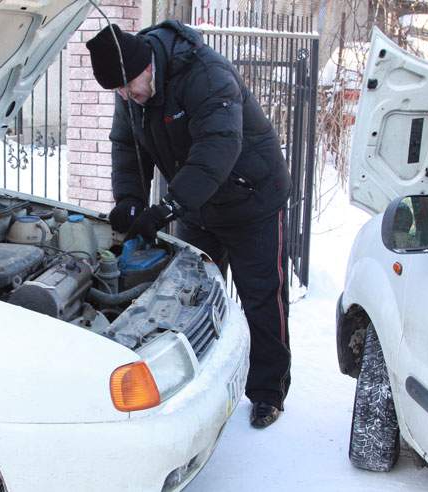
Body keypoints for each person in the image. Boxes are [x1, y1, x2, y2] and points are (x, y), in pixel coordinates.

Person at [86, 21, 293, 428]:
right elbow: (126, 146)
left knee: (261, 297)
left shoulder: (205, 74)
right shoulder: (129, 87)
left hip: (252, 197)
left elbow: (218, 147)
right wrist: (129, 201)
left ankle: (268, 391)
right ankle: (203, 381)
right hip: (197, 204)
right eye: (119, 91)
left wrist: (168, 206)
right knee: (190, 295)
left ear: (147, 68)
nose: (126, 96)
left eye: (129, 86)